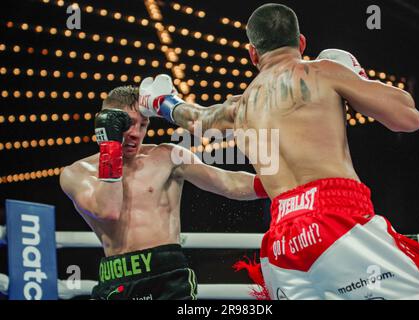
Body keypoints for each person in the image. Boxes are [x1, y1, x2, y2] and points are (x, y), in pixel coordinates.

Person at [138, 3, 419, 300]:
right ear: (301, 42)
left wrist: (163, 103)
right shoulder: (323, 71)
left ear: (252, 53)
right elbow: (408, 119)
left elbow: (197, 120)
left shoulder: (241, 106)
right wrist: (356, 76)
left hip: (281, 242)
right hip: (336, 218)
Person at [59, 85, 268, 300]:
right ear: (104, 120)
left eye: (143, 125)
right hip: (118, 277)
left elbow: (227, 182)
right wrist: (110, 145)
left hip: (169, 278)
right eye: (128, 123)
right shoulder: (76, 174)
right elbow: (108, 210)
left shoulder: (167, 156)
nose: (135, 133)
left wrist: (279, 186)